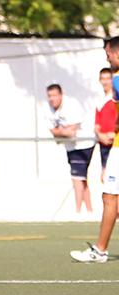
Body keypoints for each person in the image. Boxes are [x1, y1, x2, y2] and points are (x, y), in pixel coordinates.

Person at [70, 37, 119, 263]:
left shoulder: (118, 80)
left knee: (110, 197)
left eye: (108, 53)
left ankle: (100, 250)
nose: (107, 57)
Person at [46, 83, 95, 213]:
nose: (52, 99)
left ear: (61, 95)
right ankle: (90, 211)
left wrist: (60, 132)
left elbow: (71, 132)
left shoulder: (71, 105)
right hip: (70, 146)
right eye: (49, 96)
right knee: (82, 179)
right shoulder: (49, 109)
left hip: (83, 144)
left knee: (77, 178)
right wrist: (61, 131)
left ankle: (78, 212)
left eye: (54, 95)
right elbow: (53, 131)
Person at [95, 67, 117, 181]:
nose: (105, 81)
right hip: (104, 145)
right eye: (103, 78)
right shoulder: (99, 101)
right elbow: (97, 124)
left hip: (116, 143)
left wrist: (114, 134)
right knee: (106, 178)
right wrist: (100, 135)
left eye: (108, 78)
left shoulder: (116, 98)